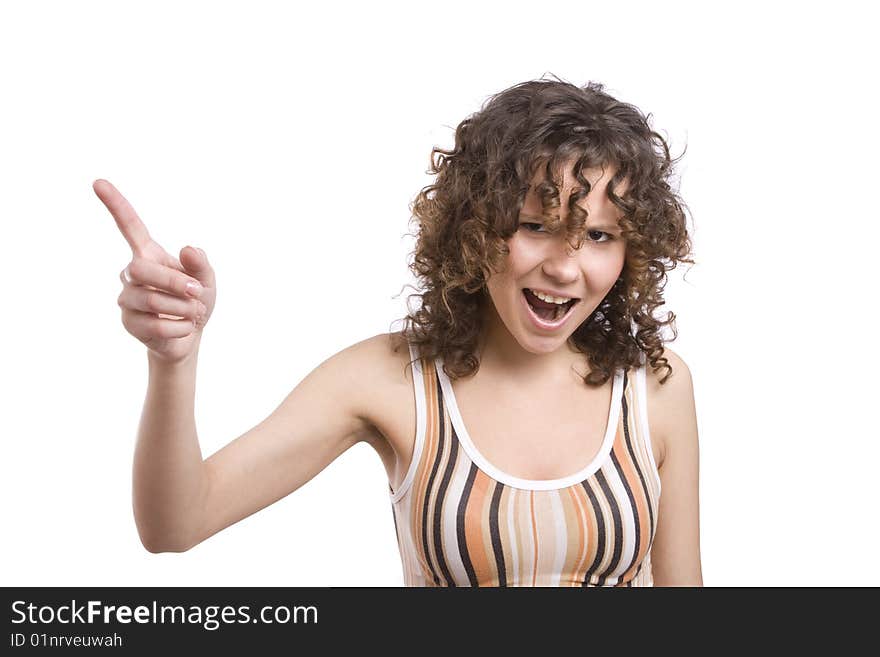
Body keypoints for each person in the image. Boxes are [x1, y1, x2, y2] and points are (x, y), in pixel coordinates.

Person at [95, 76, 702, 587]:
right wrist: (173, 361)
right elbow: (175, 523)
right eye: (535, 225)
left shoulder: (656, 387)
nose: (566, 267)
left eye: (599, 236)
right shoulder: (387, 381)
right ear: (474, 224)